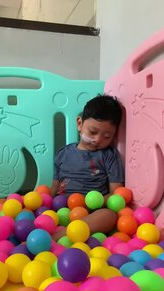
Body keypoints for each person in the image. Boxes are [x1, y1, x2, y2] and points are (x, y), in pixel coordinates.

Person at [51, 94, 125, 240]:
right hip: (61, 210)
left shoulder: (108, 155)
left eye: (107, 136)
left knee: (109, 216)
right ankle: (68, 232)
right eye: (92, 132)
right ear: (79, 124)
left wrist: (90, 203)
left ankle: (62, 235)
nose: (97, 140)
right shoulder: (63, 153)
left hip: (92, 213)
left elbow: (116, 194)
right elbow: (54, 188)